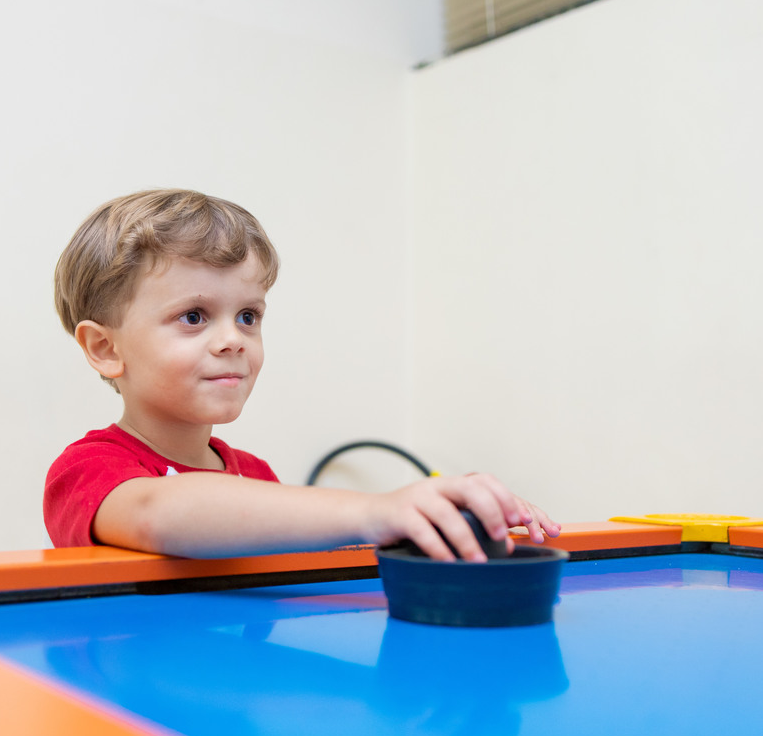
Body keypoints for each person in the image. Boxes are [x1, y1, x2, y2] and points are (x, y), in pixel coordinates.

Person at [45, 189, 561, 560]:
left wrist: (445, 514)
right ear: (105, 348)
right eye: (194, 317)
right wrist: (376, 510)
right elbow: (159, 515)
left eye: (248, 316)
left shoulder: (255, 476)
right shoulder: (88, 469)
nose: (233, 339)